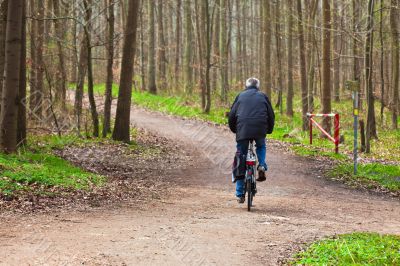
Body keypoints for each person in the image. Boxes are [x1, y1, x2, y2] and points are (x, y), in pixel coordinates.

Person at [228, 77, 275, 203]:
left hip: (242, 129)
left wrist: (235, 130)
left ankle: (239, 193)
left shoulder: (240, 96)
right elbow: (271, 115)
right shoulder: (263, 96)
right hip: (260, 129)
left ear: (246, 86)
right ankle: (262, 165)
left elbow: (232, 115)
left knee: (240, 158)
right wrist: (268, 130)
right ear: (258, 86)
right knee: (260, 146)